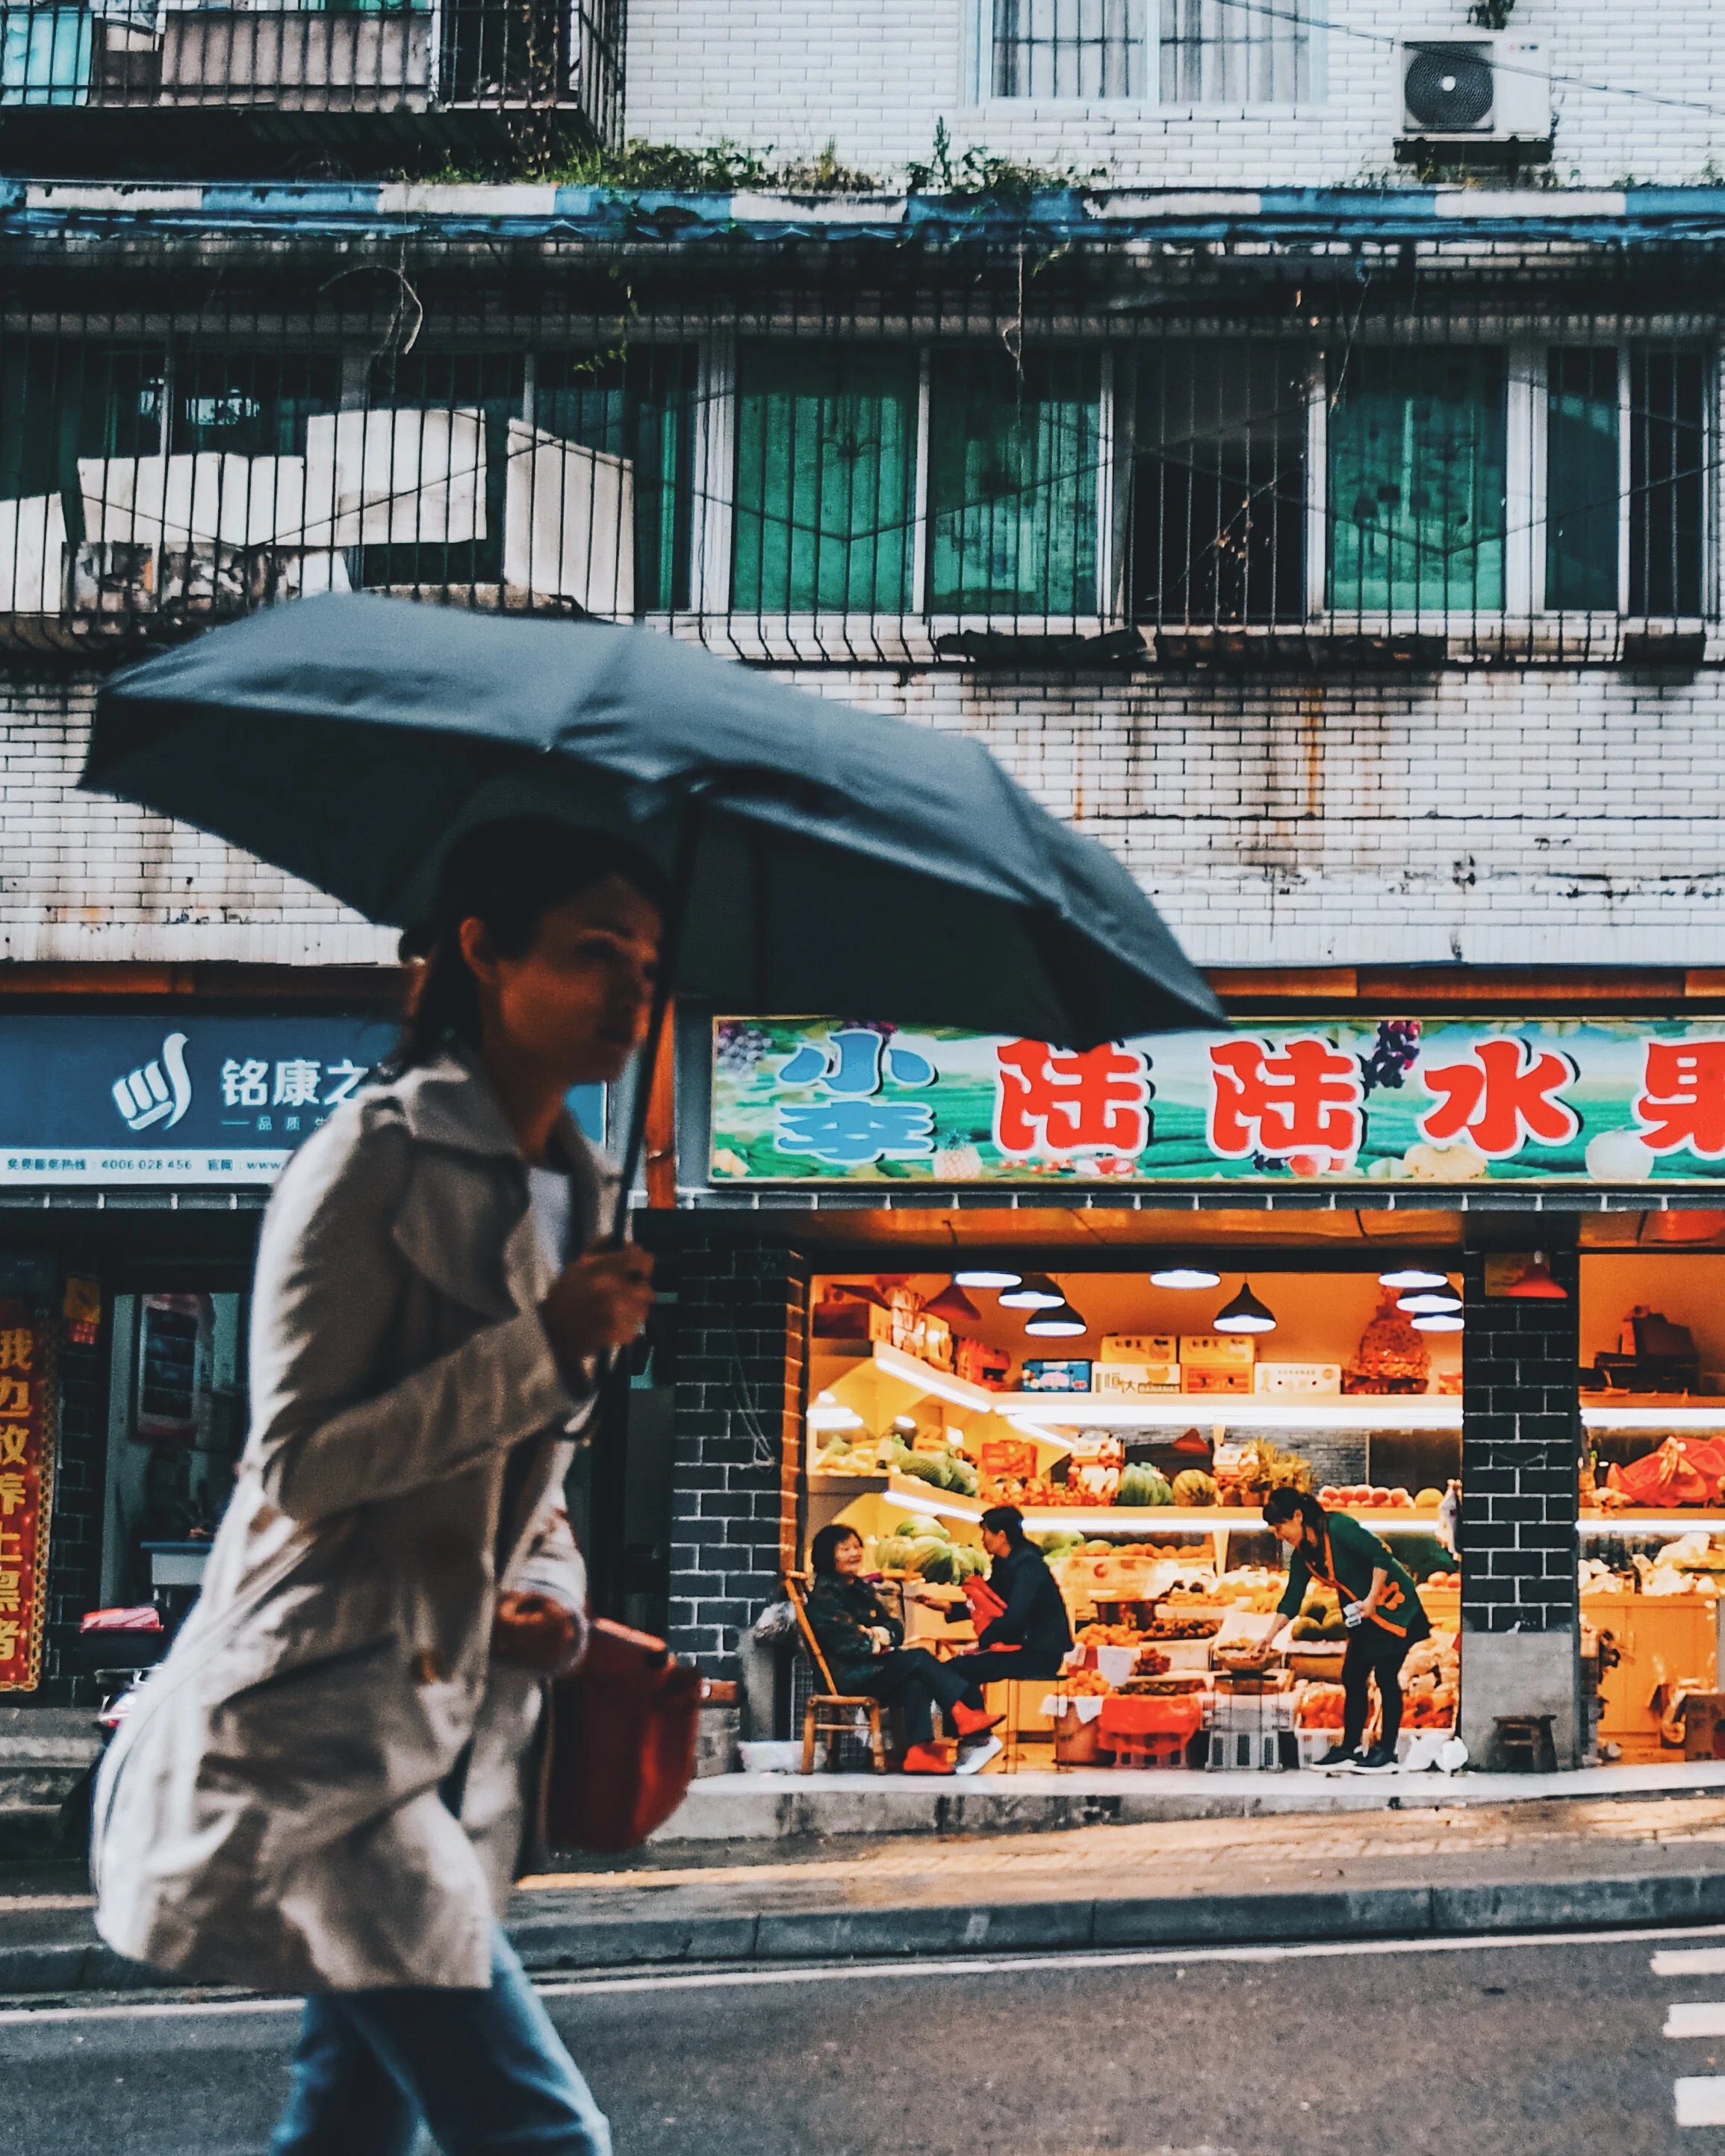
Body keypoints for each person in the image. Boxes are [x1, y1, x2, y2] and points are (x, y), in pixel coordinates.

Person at [91, 817, 668, 2156]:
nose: (632, 992)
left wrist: (550, 1597)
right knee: (538, 2131)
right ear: (482, 951)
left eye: (647, 960)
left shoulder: (578, 1197)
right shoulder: (371, 1160)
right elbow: (298, 1461)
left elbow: (523, 1494)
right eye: (594, 953)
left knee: (348, 2123)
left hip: (451, 1722)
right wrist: (546, 1350)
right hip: (326, 1720)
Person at [804, 1524, 1003, 1776]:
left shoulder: (860, 1588)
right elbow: (853, 1644)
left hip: (871, 1666)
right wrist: (876, 1639)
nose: (855, 1553)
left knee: (917, 1678)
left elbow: (895, 1627)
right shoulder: (826, 1596)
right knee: (918, 1658)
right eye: (845, 1549)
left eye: (857, 1547)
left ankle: (919, 1752)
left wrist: (876, 1634)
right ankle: (961, 1714)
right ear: (827, 1556)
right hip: (848, 1675)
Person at [1264, 1485, 1432, 1774]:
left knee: (1386, 1676)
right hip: (1362, 1615)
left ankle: (1386, 1752)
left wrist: (1370, 1598)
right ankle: (1350, 1747)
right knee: (1353, 1674)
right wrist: (1267, 1638)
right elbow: (1292, 1599)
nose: (1279, 1535)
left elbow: (1381, 1555)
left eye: (1280, 1527)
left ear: (1298, 1515)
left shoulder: (1338, 1527)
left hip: (1395, 1606)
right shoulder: (1303, 1556)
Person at [944, 1504, 1074, 1689]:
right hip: (1024, 1647)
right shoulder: (1005, 1563)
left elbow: (1016, 1615)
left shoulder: (1029, 1566)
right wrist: (948, 1608)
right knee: (959, 1668)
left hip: (1040, 1654)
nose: (983, 1539)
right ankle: (972, 1716)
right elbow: (988, 1599)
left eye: (986, 1533)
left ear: (1002, 1536)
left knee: (959, 1669)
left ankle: (971, 1716)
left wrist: (983, 1643)